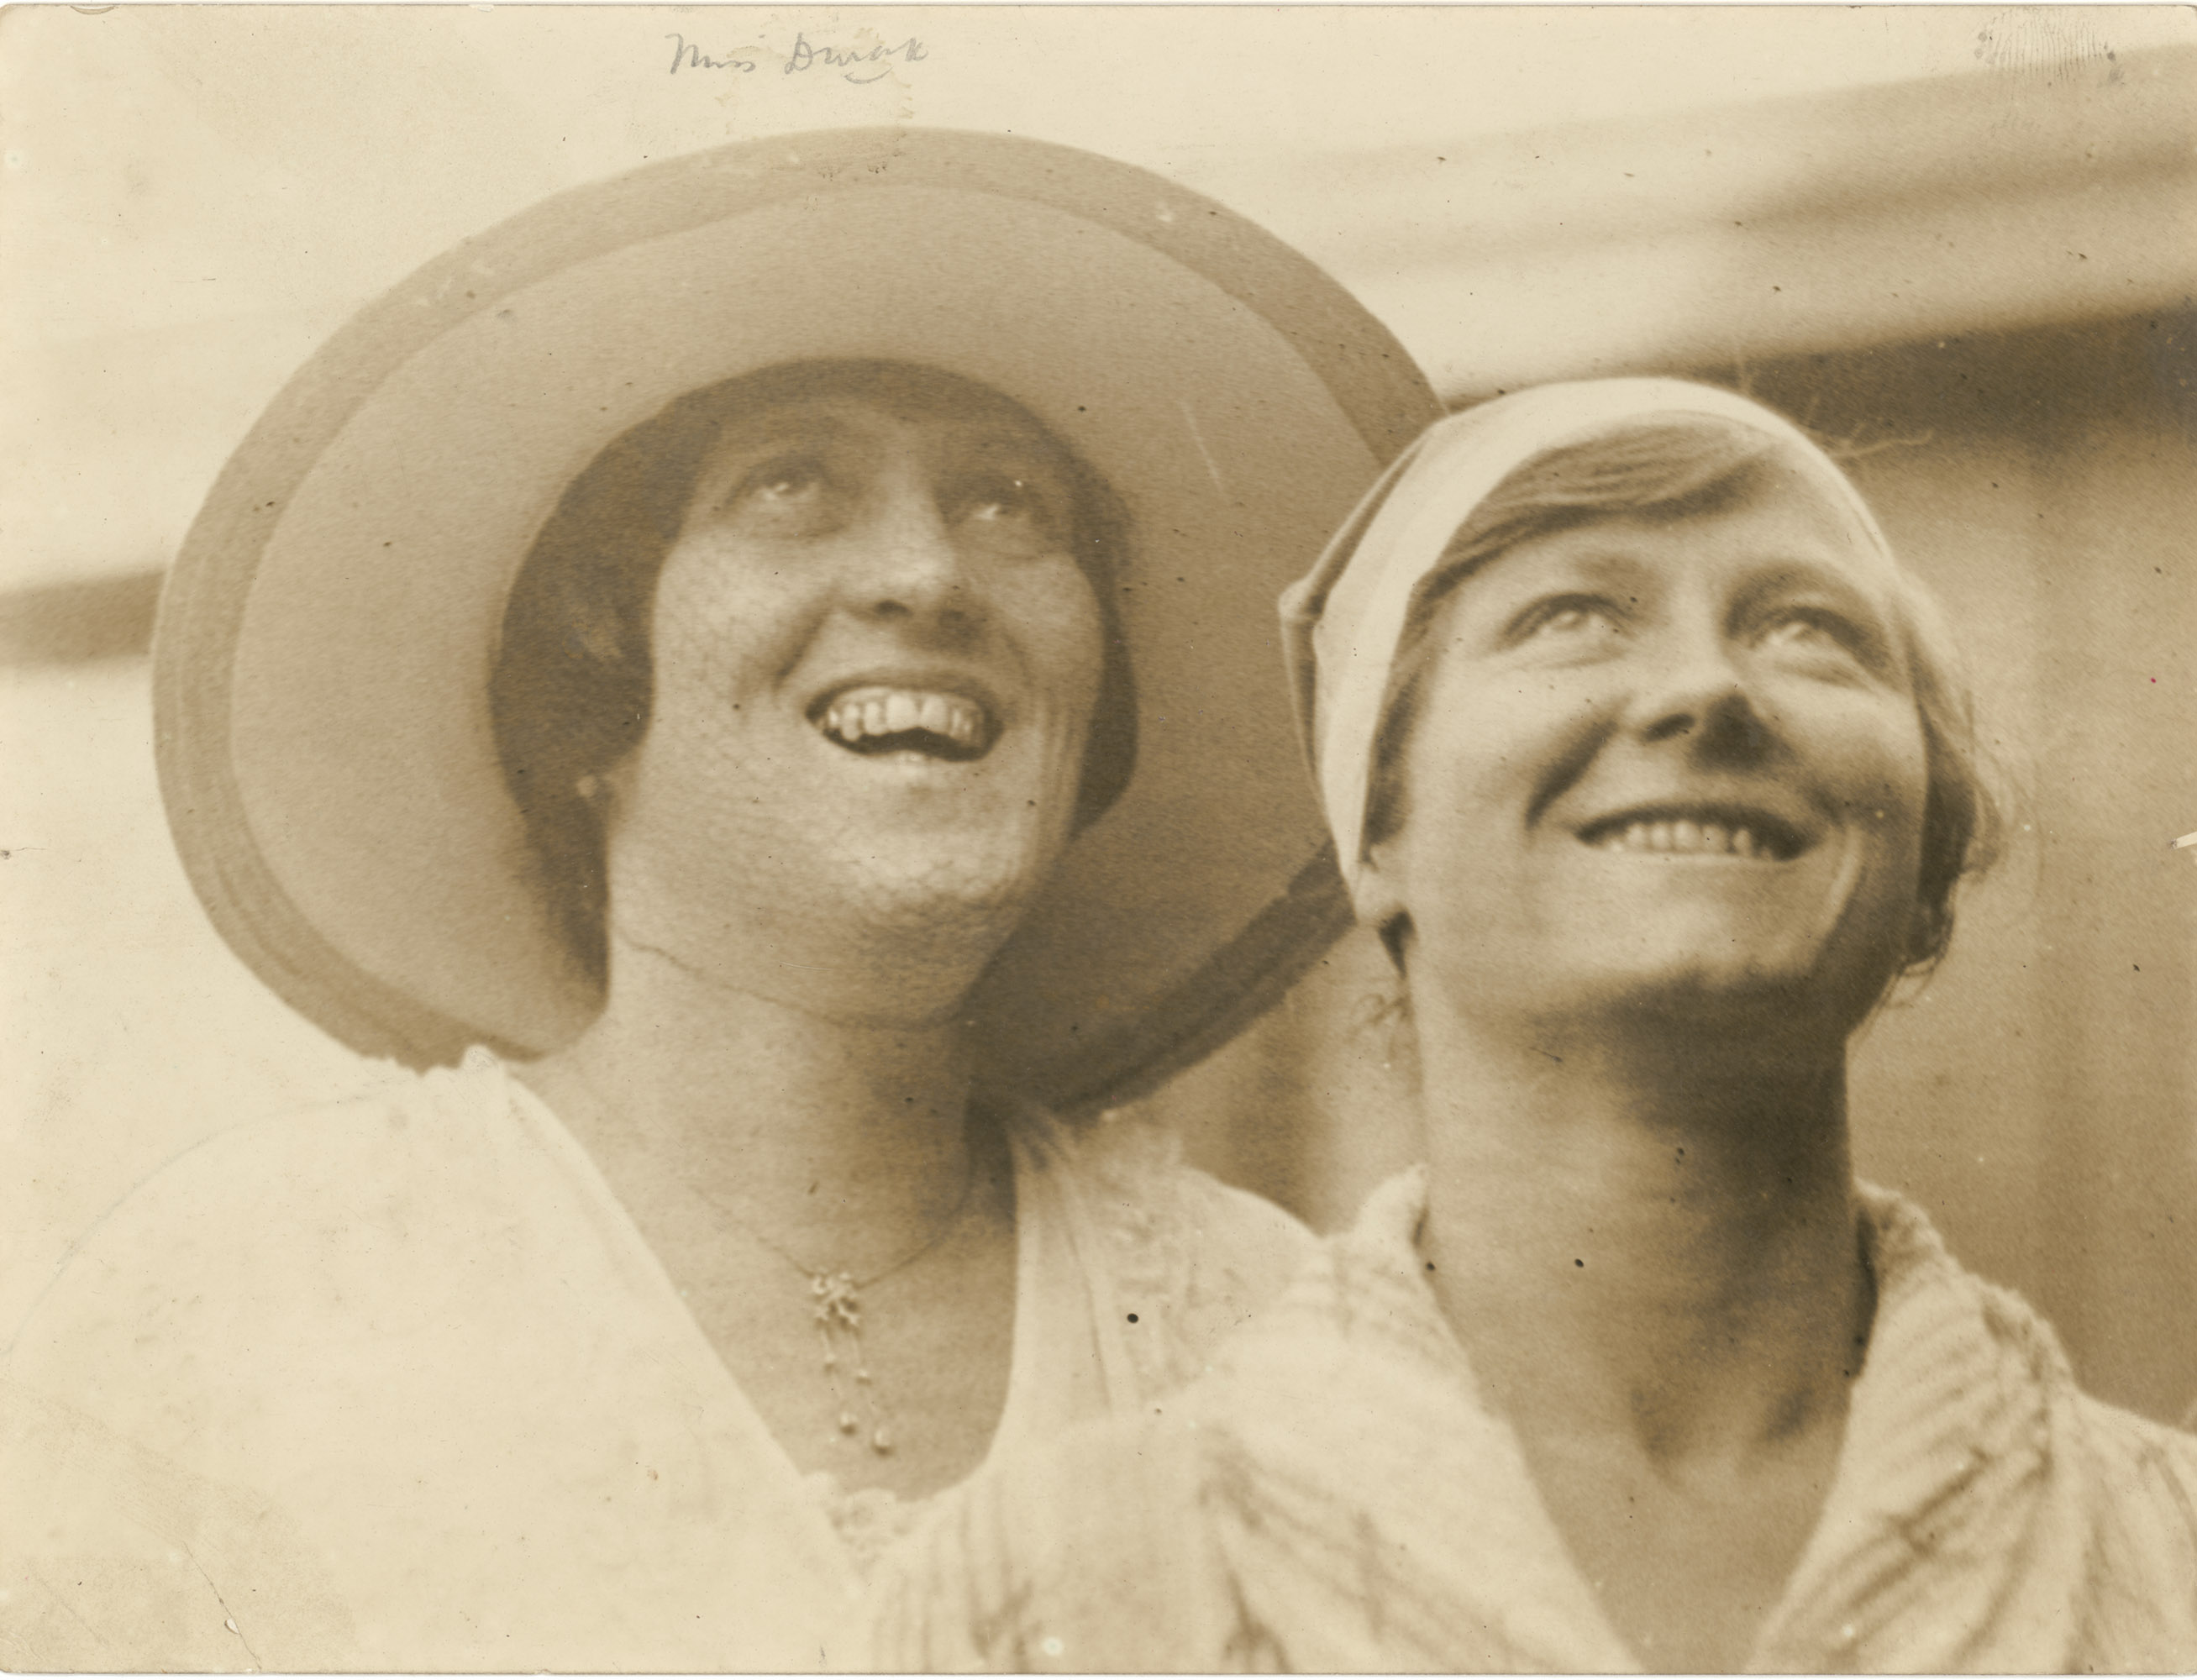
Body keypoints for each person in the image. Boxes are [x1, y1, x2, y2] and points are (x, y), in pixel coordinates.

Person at [0, 129, 1439, 1671]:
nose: (928, 579)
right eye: (792, 488)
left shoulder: (1279, 1333)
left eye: (1013, 505)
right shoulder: (252, 1296)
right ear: (590, 678)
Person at [866, 379, 2197, 1672]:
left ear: (1925, 868)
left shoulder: (2170, 1542)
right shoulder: (1035, 1589)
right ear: (1375, 836)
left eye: (1806, 629)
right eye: (1574, 617)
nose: (1706, 690)